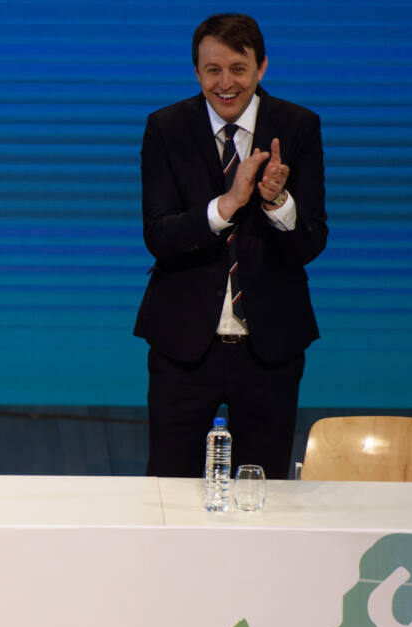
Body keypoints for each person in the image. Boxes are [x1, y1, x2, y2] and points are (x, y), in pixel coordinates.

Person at [134, 14, 328, 479]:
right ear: (197, 72)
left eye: (238, 69)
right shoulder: (166, 127)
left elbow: (311, 241)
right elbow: (159, 236)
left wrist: (277, 201)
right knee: (168, 490)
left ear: (261, 67)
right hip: (182, 346)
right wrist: (228, 204)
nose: (225, 83)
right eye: (212, 70)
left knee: (263, 490)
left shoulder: (298, 126)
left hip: (270, 348)